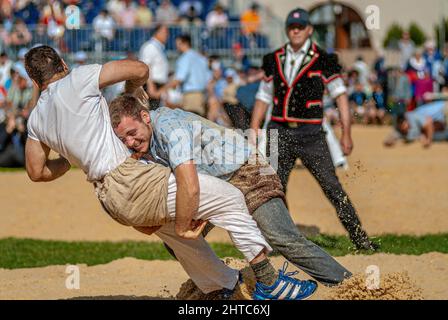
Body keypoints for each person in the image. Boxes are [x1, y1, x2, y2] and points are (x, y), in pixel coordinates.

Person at [23, 45, 317, 300]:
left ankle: (222, 286)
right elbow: (139, 68)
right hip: (132, 180)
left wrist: (73, 159)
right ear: (62, 64)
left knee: (177, 234)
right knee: (230, 197)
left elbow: (36, 171)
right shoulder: (79, 77)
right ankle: (269, 282)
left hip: (110, 200)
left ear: (35, 82)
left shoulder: (36, 119)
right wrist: (132, 90)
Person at [109, 100, 353, 286]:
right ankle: (226, 286)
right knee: (177, 243)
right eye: (123, 139)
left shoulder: (168, 126)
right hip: (215, 189)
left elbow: (189, 185)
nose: (130, 142)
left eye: (132, 133)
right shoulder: (143, 147)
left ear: (145, 117)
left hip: (248, 173)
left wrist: (184, 223)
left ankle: (348, 284)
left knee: (282, 238)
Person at [250, 8, 378, 251]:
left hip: (311, 133)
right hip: (278, 130)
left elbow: (340, 96)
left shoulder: (325, 58)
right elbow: (263, 96)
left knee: (331, 186)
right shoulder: (274, 58)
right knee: (272, 188)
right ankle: (283, 240)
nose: (296, 30)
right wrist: (255, 127)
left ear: (309, 29)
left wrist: (346, 133)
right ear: (288, 30)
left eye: (300, 26)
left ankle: (360, 238)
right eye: (292, 27)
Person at [162, 34, 209, 116]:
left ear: (185, 43)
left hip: (191, 95)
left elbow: (178, 79)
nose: (177, 47)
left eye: (178, 44)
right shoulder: (200, 57)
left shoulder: (185, 58)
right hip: (202, 94)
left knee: (192, 124)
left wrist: (161, 90)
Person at [138, 24, 169, 110]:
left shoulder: (159, 48)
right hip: (152, 85)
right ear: (157, 32)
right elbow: (146, 68)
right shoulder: (150, 47)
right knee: (151, 113)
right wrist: (151, 87)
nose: (167, 34)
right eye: (165, 32)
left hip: (158, 86)